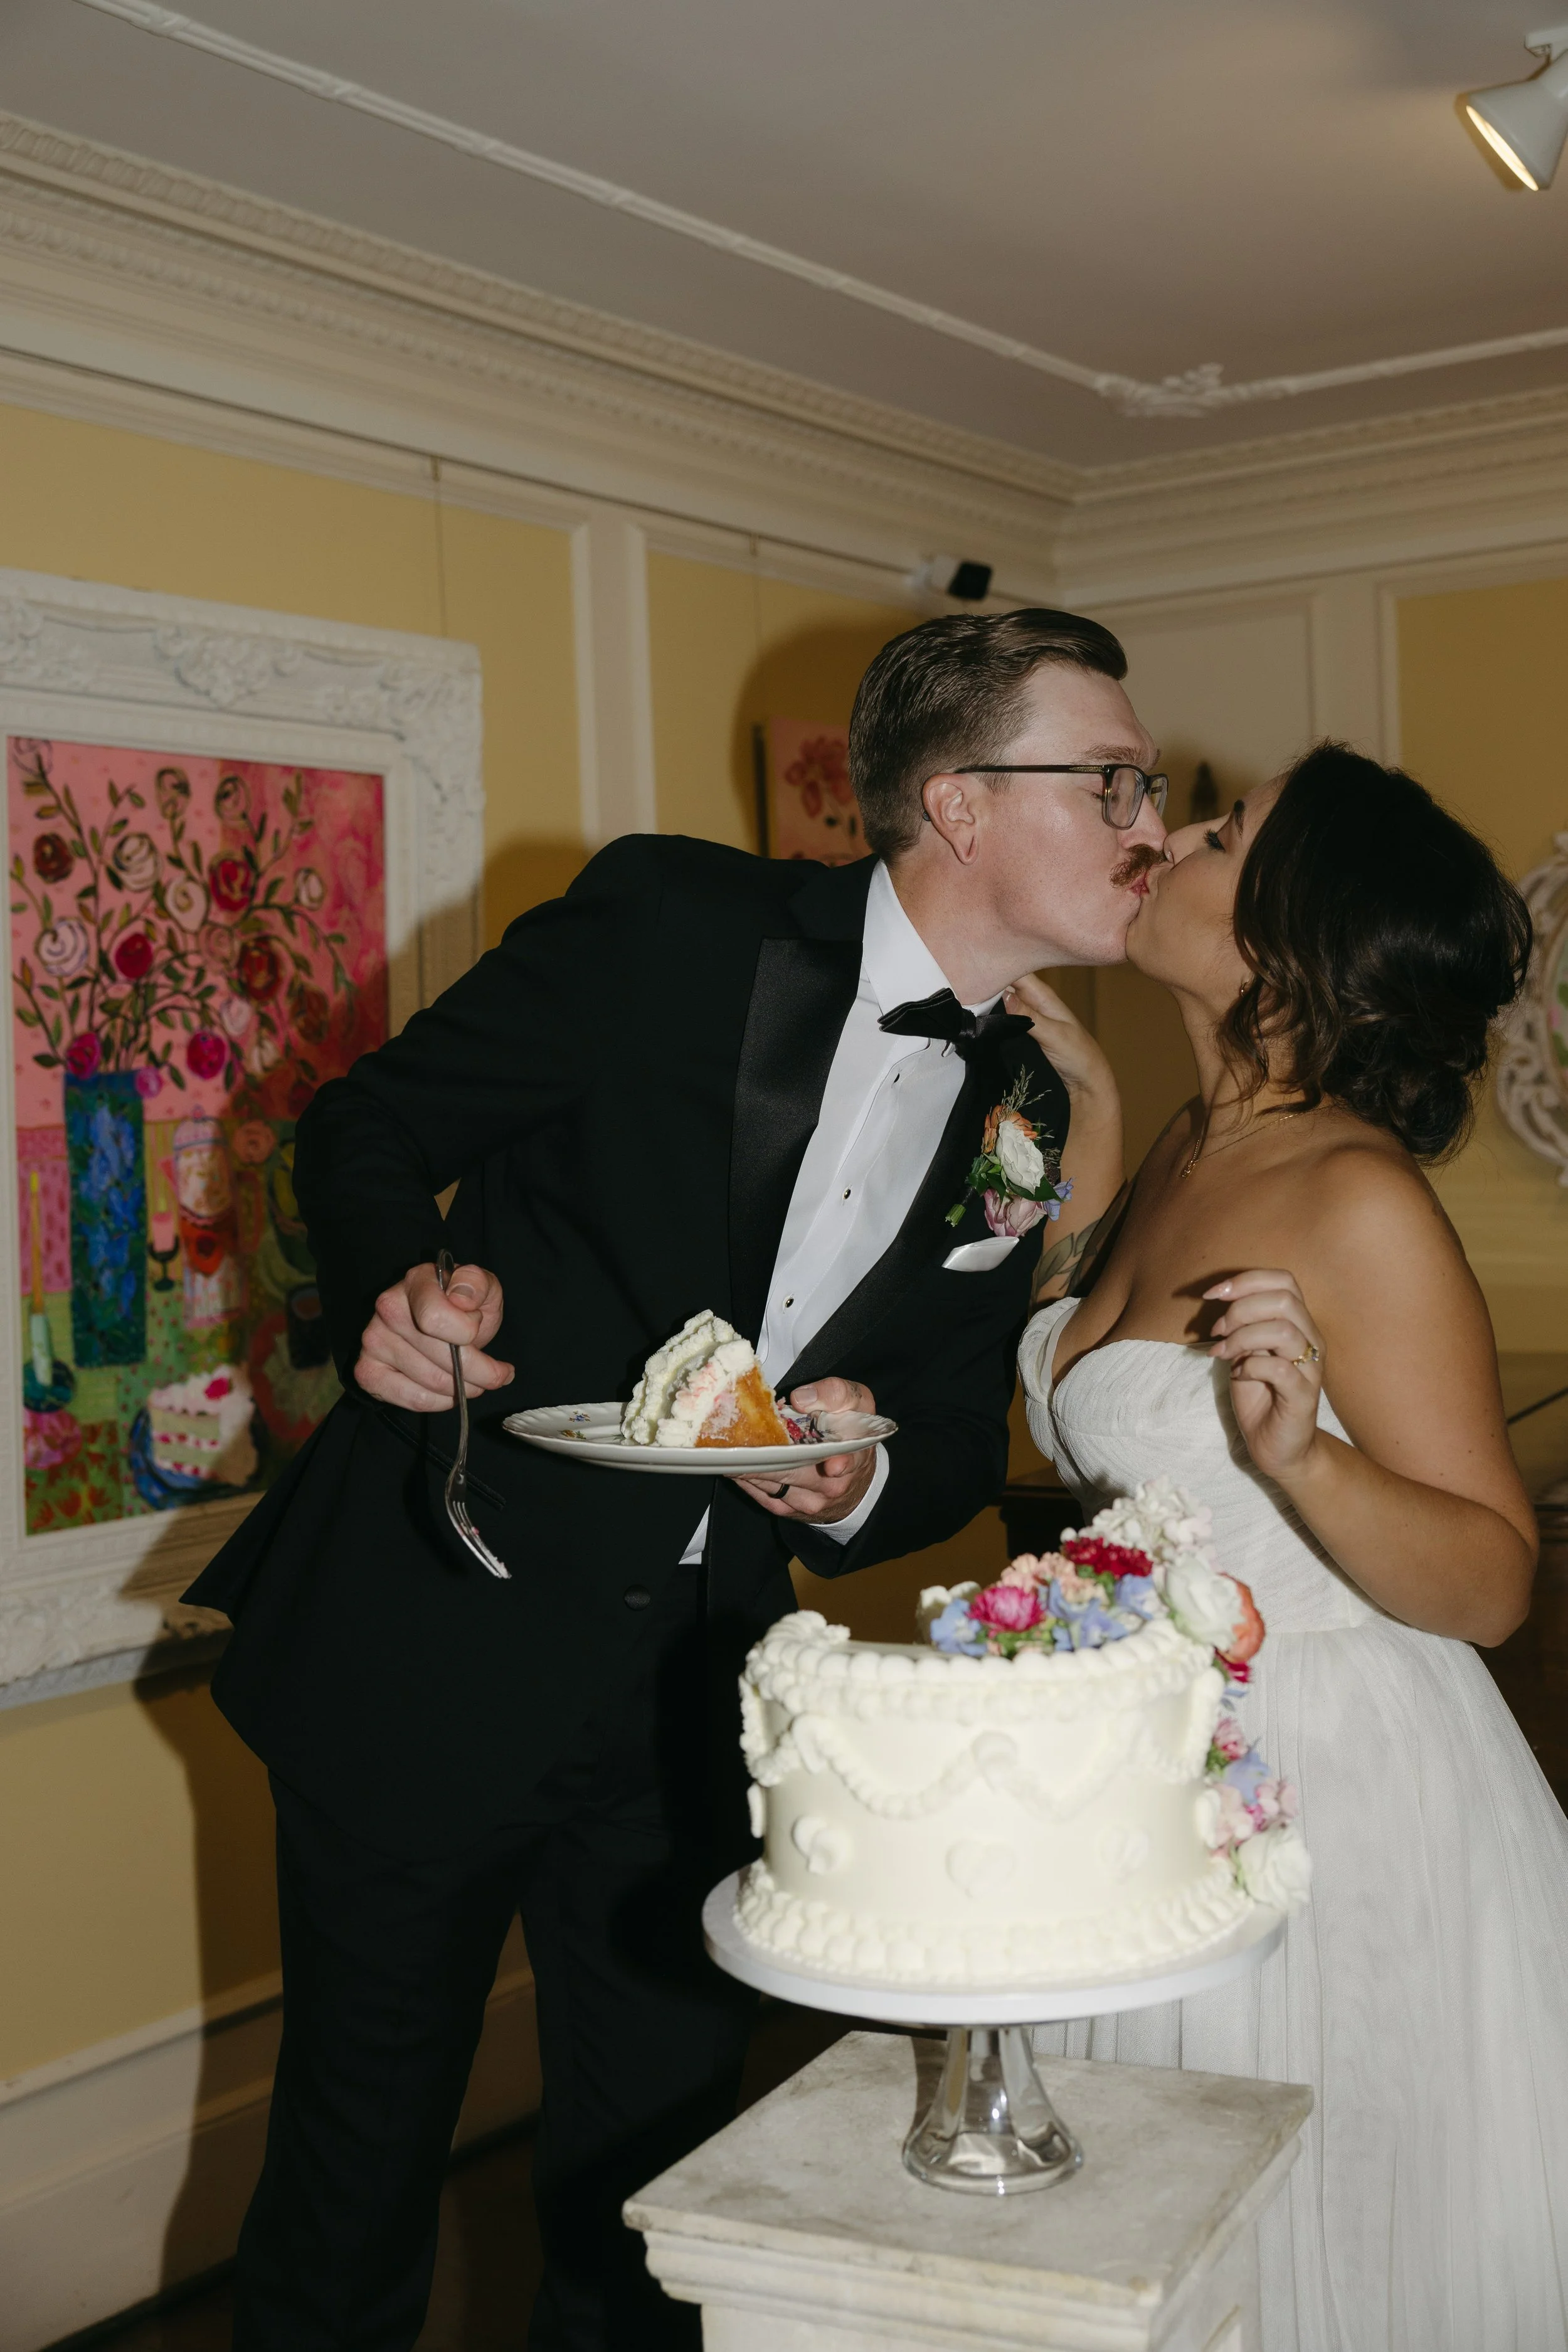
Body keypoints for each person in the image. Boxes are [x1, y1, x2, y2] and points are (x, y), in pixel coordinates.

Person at [183, 606, 1163, 2352]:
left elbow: (944, 1440)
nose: (1146, 823)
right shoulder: (665, 922)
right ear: (953, 801)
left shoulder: (1021, 1099)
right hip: (434, 1624)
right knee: (354, 2178)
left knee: (657, 2199)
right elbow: (369, 1125)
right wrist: (399, 1287)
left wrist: (852, 1478)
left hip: (694, 1695)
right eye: (1109, 780)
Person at [1014, 743, 1568, 2352]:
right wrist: (1101, 1141)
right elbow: (1086, 1397)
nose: (1167, 840)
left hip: (1320, 1799)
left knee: (1317, 2254)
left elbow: (1487, 1578)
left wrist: (1304, 1459)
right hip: (1137, 1782)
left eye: (1218, 832)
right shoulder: (1195, 1146)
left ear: (1290, 934)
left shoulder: (1351, 1199)